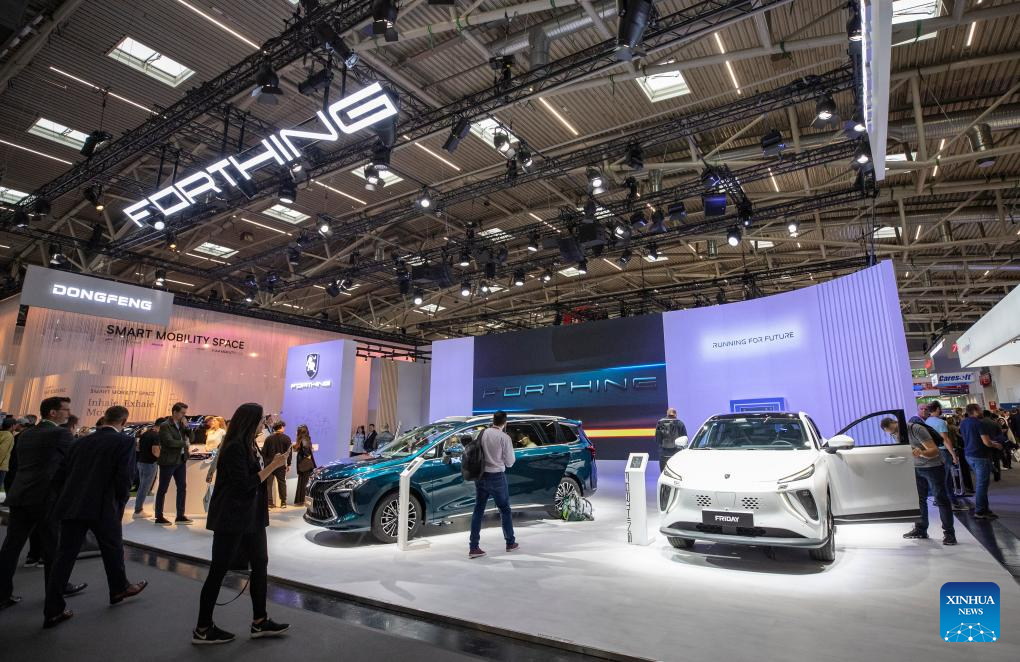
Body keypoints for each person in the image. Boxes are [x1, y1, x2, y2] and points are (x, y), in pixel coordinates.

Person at [43, 406, 148, 628]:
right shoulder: (125, 442)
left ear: (105, 418)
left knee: (64, 555)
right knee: (113, 548)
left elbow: (59, 476)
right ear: (124, 422)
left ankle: (53, 610)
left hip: (73, 505)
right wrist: (120, 502)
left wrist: (69, 497)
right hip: (103, 507)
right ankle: (119, 588)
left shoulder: (79, 442)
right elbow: (124, 478)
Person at [193, 402, 290, 645]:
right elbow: (244, 484)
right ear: (250, 421)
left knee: (260, 564)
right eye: (261, 420)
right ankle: (203, 628)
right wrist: (273, 466)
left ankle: (260, 620)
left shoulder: (248, 444)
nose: (264, 424)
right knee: (219, 570)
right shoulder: (235, 447)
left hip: (251, 517)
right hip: (232, 518)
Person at [0, 397, 87, 611]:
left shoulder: (26, 434)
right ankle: (56, 596)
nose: (68, 413)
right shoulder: (61, 434)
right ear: (52, 413)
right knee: (53, 549)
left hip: (21, 495)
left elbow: (17, 465)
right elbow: (74, 462)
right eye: (65, 410)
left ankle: (2, 594)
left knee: (11, 547)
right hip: (46, 498)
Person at [881, 417, 956, 545]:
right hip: (916, 468)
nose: (895, 434)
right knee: (919, 500)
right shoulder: (896, 434)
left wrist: (921, 453)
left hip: (933, 467)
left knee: (941, 499)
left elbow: (934, 451)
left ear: (896, 422)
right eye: (892, 433)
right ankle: (921, 529)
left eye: (894, 430)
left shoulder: (916, 429)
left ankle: (949, 534)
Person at [468, 410, 518, 559]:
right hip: (497, 477)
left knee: (478, 510)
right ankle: (510, 543)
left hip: (481, 476)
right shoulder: (504, 437)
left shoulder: (482, 433)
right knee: (505, 509)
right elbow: (510, 462)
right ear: (505, 422)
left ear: (493, 420)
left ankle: (473, 547)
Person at [960, 403, 1004, 519]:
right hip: (980, 456)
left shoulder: (963, 422)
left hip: (969, 455)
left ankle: (985, 509)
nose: (981, 411)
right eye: (980, 409)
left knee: (982, 483)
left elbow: (970, 438)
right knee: (982, 485)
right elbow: (986, 442)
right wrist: (996, 445)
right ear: (975, 410)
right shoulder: (979, 423)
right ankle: (980, 511)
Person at [154, 402, 194, 525]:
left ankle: (180, 515)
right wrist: (184, 443)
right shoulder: (165, 425)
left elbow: (192, 438)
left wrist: (187, 428)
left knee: (182, 487)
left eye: (185, 413)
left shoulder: (182, 425)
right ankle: (159, 516)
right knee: (163, 489)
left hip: (181, 460)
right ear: (175, 412)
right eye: (182, 413)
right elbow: (169, 442)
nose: (184, 415)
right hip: (168, 461)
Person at [924, 402, 967, 511]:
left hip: (932, 452)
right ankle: (952, 503)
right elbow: (946, 440)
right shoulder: (940, 422)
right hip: (942, 452)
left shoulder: (927, 421)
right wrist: (953, 455)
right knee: (946, 479)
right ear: (937, 409)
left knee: (938, 479)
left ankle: (939, 500)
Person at [133, 420, 163, 518]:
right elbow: (155, 451)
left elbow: (138, 447)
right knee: (144, 487)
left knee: (142, 486)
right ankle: (138, 510)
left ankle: (138, 509)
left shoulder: (145, 433)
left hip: (141, 462)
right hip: (150, 463)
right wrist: (163, 458)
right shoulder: (156, 435)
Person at [260, 421, 292, 509]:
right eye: (283, 426)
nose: (284, 428)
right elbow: (289, 453)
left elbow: (264, 452)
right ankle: (283, 502)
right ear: (281, 427)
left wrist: (265, 463)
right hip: (281, 465)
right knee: (282, 483)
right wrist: (289, 463)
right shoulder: (287, 438)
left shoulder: (268, 438)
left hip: (269, 465)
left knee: (268, 484)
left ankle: (269, 503)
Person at [292, 425, 316, 506]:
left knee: (304, 483)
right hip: (306, 465)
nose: (296, 432)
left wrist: (307, 457)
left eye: (297, 430)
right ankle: (302, 501)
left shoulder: (304, 439)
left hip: (305, 465)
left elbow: (306, 451)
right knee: (303, 482)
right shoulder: (305, 439)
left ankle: (303, 501)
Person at [0, 417, 14, 492]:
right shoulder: (9, 436)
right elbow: (2, 451)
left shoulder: (1, 433)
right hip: (1, 466)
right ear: (12, 426)